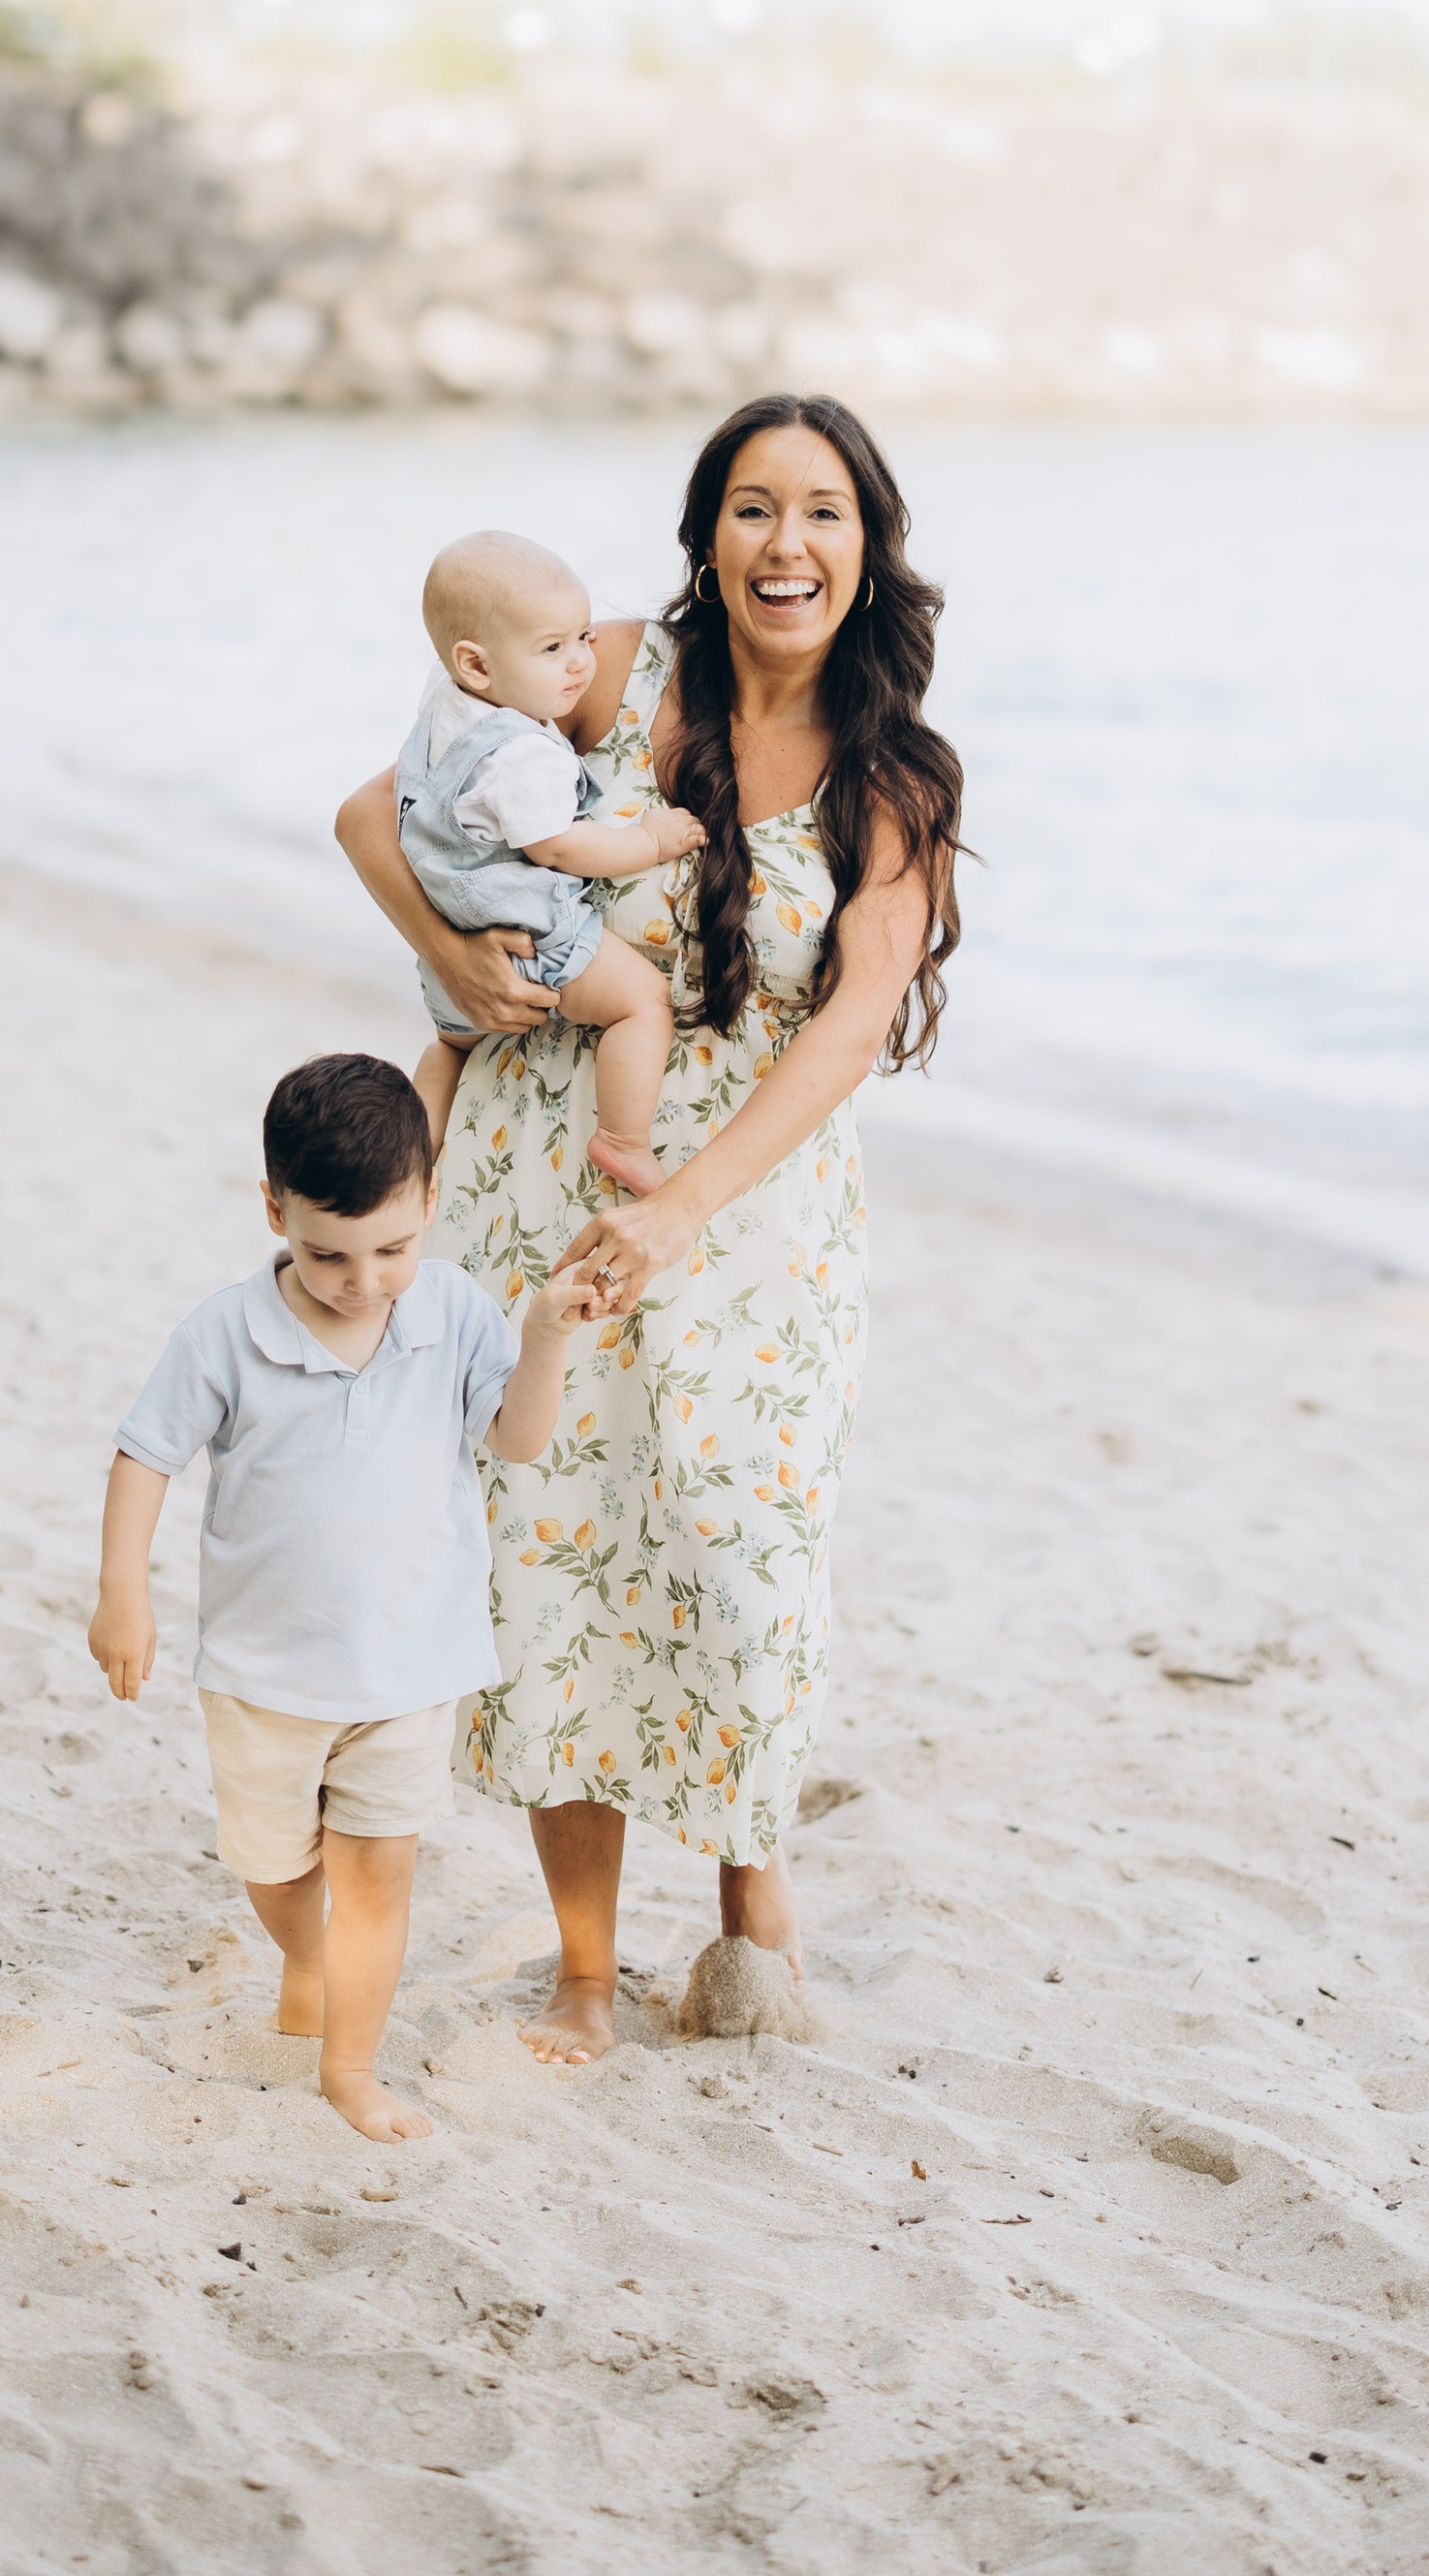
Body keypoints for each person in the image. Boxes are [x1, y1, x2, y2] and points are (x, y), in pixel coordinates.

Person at [334, 393, 962, 2064]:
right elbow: (375, 816)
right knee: (551, 1564)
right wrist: (454, 959)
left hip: (753, 1213)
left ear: (864, 546)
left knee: (737, 1554)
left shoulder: (893, 771)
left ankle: (756, 1899)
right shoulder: (601, 673)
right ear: (708, 537)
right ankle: (588, 1966)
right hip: (544, 1177)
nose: (785, 545)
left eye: (821, 513)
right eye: (753, 510)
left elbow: (849, 1025)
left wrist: (686, 1204)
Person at [86, 1052, 600, 2142]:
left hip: (409, 1667)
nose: (362, 1279)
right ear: (272, 1206)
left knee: (378, 1874)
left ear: (429, 1198)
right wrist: (121, 1592)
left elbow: (519, 1437)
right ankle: (304, 1954)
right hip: (264, 1673)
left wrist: (546, 1332)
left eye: (392, 1248)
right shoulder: (227, 1331)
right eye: (327, 1253)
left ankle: (351, 2067)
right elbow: (145, 1455)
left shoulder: (454, 1309)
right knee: (275, 1869)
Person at [397, 527, 706, 1191]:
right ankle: (624, 1139)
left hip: (447, 962)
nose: (580, 665)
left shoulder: (446, 708)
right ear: (477, 665)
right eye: (553, 647)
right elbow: (561, 847)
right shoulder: (521, 755)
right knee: (642, 1002)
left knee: (451, 1048)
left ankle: (413, 1162)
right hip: (524, 938)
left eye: (584, 637)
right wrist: (650, 840)